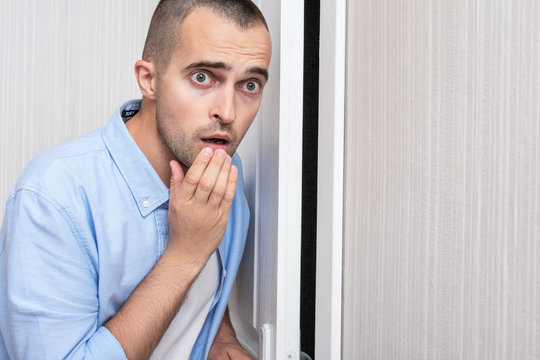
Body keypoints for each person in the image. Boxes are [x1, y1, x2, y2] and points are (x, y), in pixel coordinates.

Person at [0, 0, 272, 359]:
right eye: (203, 77)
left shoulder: (221, 170)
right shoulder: (52, 197)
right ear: (149, 80)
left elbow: (205, 295)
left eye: (249, 84)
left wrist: (221, 336)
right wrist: (185, 256)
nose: (228, 112)